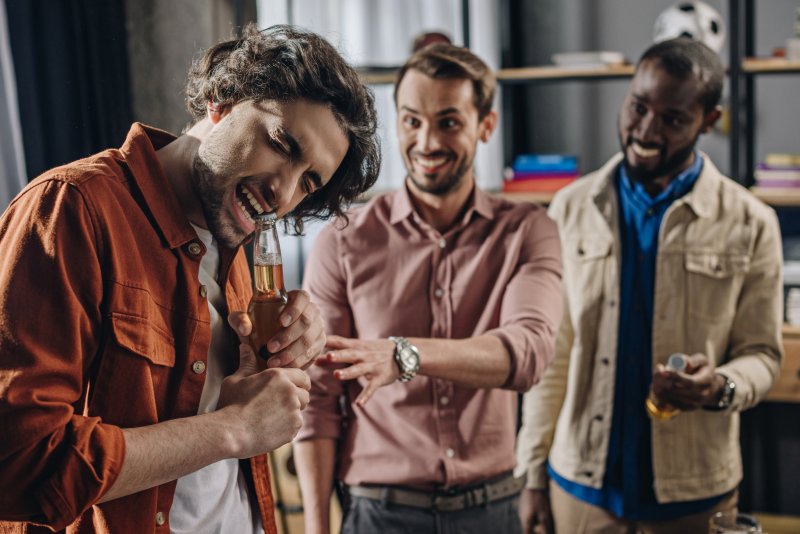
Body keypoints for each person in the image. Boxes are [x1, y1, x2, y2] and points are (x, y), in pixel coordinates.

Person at [0, 24, 380, 534]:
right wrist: (233, 429)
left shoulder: (242, 247)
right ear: (223, 99)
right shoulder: (73, 208)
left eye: (309, 182)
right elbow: (19, 463)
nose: (284, 193)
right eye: (282, 143)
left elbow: (237, 441)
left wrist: (287, 351)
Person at [515, 37, 783, 534]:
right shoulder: (569, 209)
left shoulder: (752, 223)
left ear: (709, 120)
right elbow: (552, 353)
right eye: (638, 106)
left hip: (696, 494)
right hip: (579, 489)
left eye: (673, 119)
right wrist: (530, 474)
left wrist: (720, 386)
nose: (645, 130)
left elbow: (763, 354)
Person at [293, 43, 563, 534]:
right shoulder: (344, 239)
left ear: (486, 125)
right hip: (379, 512)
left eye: (448, 122)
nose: (427, 141)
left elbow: (529, 353)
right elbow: (318, 398)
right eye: (412, 121)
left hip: (493, 509)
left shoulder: (529, 230)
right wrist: (316, 527)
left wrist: (404, 354)